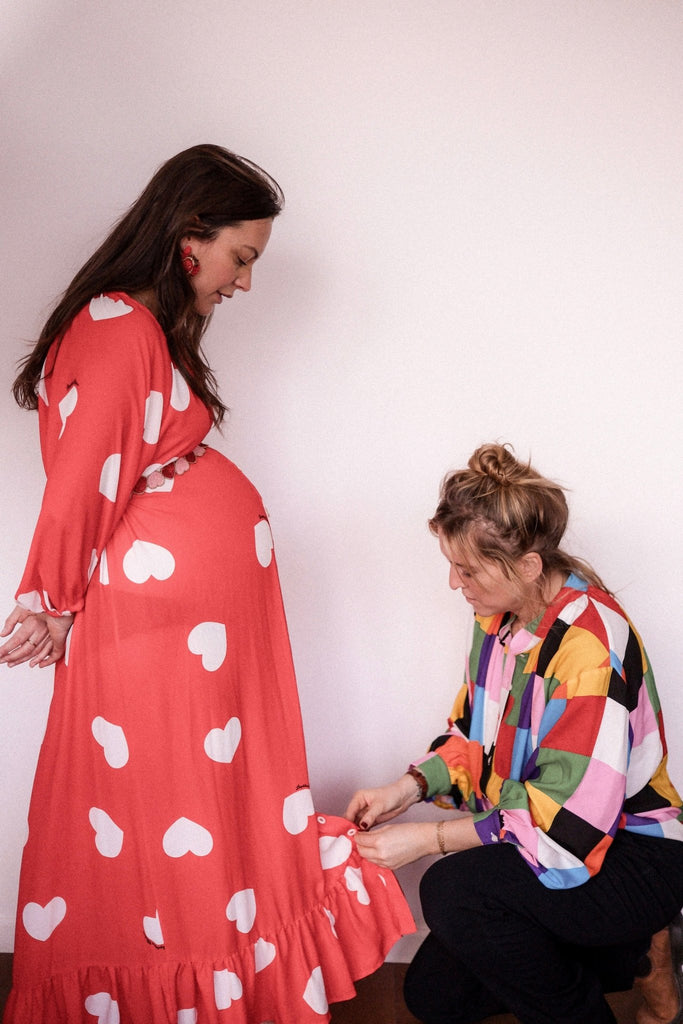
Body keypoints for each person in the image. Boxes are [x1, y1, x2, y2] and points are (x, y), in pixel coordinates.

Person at [0, 144, 414, 1024]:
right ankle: (183, 992)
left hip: (193, 634)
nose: (245, 283)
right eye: (242, 257)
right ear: (191, 237)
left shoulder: (138, 329)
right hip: (157, 629)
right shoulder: (116, 325)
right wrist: (51, 596)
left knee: (199, 806)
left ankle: (217, 985)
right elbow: (84, 479)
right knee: (159, 810)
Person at [345, 443, 683, 1024]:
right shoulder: (498, 620)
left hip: (629, 853)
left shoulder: (589, 648)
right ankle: (630, 955)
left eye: (468, 569)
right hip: (551, 836)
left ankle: (604, 982)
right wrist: (406, 790)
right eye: (452, 564)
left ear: (527, 565)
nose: (454, 583)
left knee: (451, 891)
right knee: (433, 996)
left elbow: (568, 825)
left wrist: (427, 841)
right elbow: (474, 737)